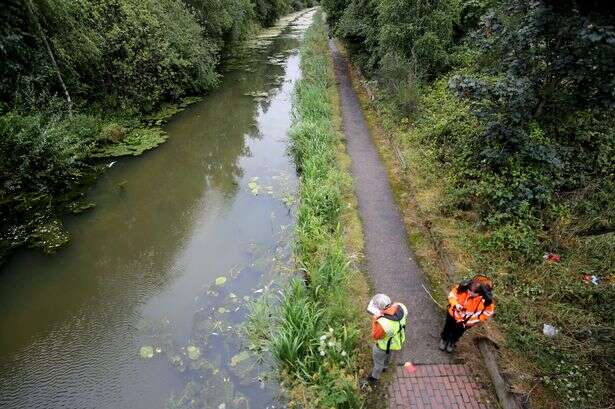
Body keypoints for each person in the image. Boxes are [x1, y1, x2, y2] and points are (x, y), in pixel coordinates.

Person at [440, 274, 495, 353]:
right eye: (470, 290)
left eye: (474, 293)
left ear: (481, 293)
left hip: (466, 322)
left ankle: (452, 342)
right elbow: (452, 295)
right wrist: (455, 304)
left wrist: (476, 319)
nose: (470, 293)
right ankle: (444, 339)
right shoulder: (462, 288)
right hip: (452, 314)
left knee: (458, 333)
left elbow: (488, 312)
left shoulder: (486, 301)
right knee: (447, 328)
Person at [365, 294, 408, 385]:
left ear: (379, 308)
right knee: (389, 354)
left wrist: (375, 319)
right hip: (396, 341)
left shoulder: (382, 323)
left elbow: (375, 336)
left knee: (378, 362)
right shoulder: (402, 307)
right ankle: (385, 366)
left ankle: (374, 377)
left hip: (383, 346)